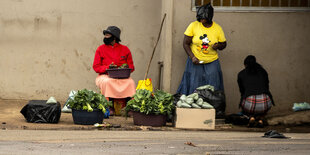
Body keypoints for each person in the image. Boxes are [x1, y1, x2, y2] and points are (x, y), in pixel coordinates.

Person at [177, 3, 227, 95]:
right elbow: (185, 43)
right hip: (195, 60)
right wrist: (192, 57)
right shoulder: (193, 26)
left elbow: (224, 44)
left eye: (203, 18)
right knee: (194, 84)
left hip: (212, 61)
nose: (201, 20)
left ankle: (212, 106)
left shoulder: (217, 28)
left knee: (213, 85)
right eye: (199, 18)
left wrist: (218, 46)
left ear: (209, 17)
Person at [93, 26, 136, 115]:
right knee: (108, 82)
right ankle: (109, 106)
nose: (105, 37)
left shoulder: (125, 49)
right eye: (105, 35)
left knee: (131, 82)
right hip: (104, 75)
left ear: (114, 37)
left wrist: (125, 68)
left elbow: (131, 67)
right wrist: (107, 68)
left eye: (107, 35)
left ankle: (130, 107)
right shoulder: (100, 49)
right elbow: (96, 67)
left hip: (122, 76)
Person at [237, 55, 275, 127]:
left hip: (250, 103)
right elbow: (267, 87)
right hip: (265, 102)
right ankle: (260, 119)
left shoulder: (241, 74)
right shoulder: (263, 71)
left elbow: (242, 92)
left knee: (245, 103)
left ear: (245, 64)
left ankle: (251, 117)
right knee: (261, 107)